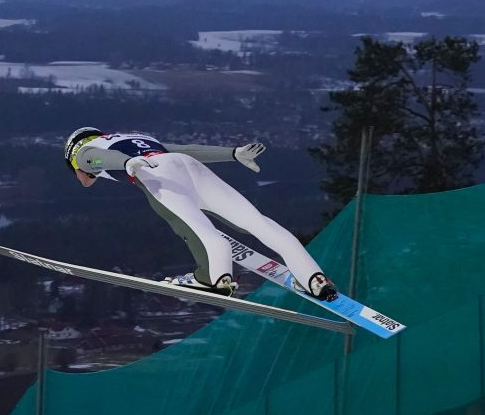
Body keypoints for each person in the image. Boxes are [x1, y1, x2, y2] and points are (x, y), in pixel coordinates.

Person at [63, 127, 337, 300]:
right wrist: (233, 153)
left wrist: (126, 163)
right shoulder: (134, 136)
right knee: (257, 222)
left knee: (195, 227)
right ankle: (313, 277)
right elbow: (187, 150)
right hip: (185, 165)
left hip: (156, 173)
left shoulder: (85, 151)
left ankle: (213, 278)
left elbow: (93, 164)